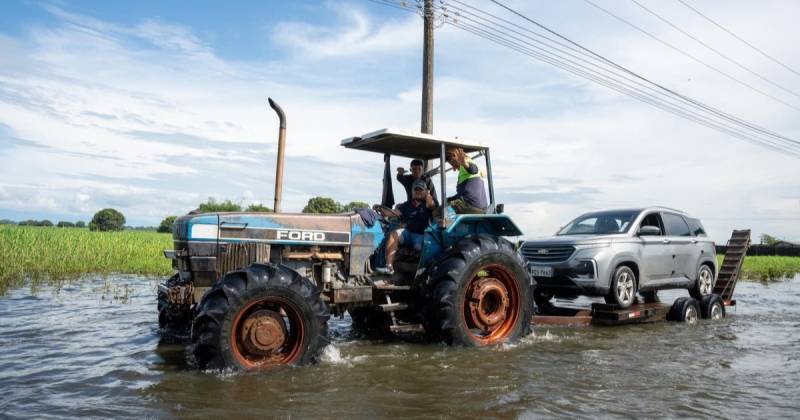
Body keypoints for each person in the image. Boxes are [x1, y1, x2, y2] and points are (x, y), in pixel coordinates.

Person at [375, 180, 435, 275]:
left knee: (419, 247)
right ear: (412, 191)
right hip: (408, 233)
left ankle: (424, 272)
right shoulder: (407, 205)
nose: (418, 192)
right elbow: (394, 213)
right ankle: (389, 267)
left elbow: (431, 205)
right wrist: (382, 210)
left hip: (421, 236)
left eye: (420, 190)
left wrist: (429, 200)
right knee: (394, 234)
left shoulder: (427, 204)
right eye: (416, 190)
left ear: (425, 191)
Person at [445, 147, 488, 214]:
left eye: (452, 162)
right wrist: (449, 199)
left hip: (469, 205)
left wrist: (465, 164)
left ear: (456, 156)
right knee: (448, 203)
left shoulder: (467, 162)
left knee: (439, 212)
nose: (453, 166)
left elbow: (473, 170)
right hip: (480, 207)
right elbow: (465, 193)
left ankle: (445, 224)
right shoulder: (463, 172)